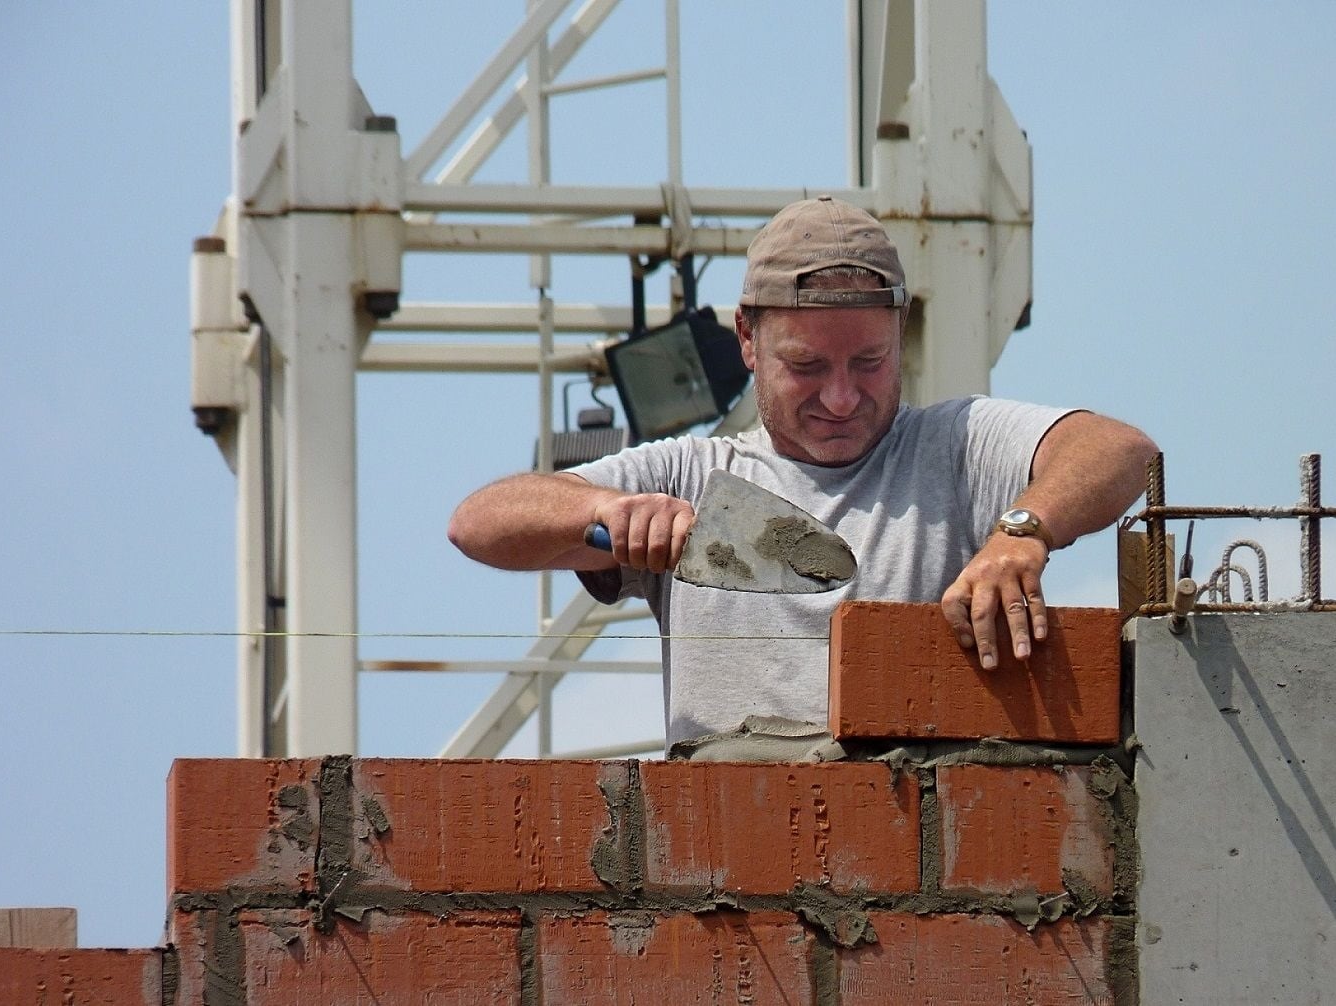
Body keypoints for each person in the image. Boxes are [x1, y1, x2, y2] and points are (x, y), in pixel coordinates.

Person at [449, 195, 1156, 755]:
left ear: (900, 332)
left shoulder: (955, 447)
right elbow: (478, 524)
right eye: (808, 367)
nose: (842, 398)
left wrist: (1021, 535)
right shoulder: (691, 475)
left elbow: (1118, 449)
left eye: (869, 363)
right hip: (731, 881)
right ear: (748, 340)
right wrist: (605, 509)